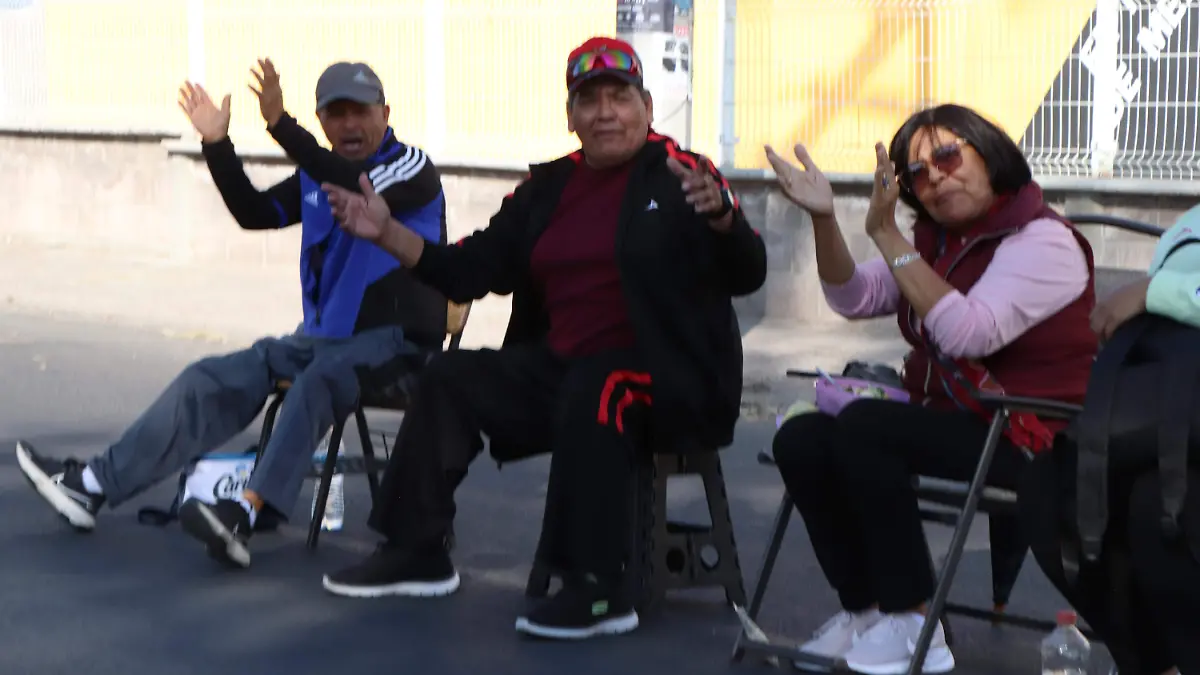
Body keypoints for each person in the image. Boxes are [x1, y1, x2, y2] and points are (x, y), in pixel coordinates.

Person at [317, 36, 766, 640]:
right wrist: (386, 232)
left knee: (599, 384)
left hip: (671, 377)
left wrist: (724, 221)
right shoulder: (548, 188)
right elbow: (471, 269)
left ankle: (600, 587)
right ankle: (416, 551)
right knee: (449, 378)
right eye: (589, 100)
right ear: (571, 116)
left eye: (619, 96)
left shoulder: (684, 175)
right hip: (565, 371)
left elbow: (748, 272)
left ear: (647, 107)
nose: (605, 112)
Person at [14, 59, 447, 570]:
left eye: (361, 112)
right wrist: (218, 145)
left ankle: (247, 512)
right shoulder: (316, 174)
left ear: (386, 112)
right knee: (211, 377)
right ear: (322, 120)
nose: (350, 125)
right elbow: (255, 213)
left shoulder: (408, 166)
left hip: (398, 343)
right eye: (336, 114)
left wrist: (281, 125)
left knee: (319, 377)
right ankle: (90, 486)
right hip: (324, 341)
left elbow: (356, 180)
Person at [763, 104, 1097, 674]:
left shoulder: (1043, 241)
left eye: (947, 156)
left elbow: (969, 332)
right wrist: (825, 218)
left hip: (1032, 432)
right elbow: (854, 298)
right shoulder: (939, 240)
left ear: (989, 156)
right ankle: (868, 613)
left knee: (869, 430)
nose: (935, 177)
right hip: (957, 418)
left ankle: (914, 618)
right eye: (917, 172)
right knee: (802, 435)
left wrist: (888, 233)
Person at [1021, 205, 1200, 675]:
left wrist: (1154, 292)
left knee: (1161, 509)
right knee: (1053, 491)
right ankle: (1149, 664)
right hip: (1165, 413)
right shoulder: (1191, 222)